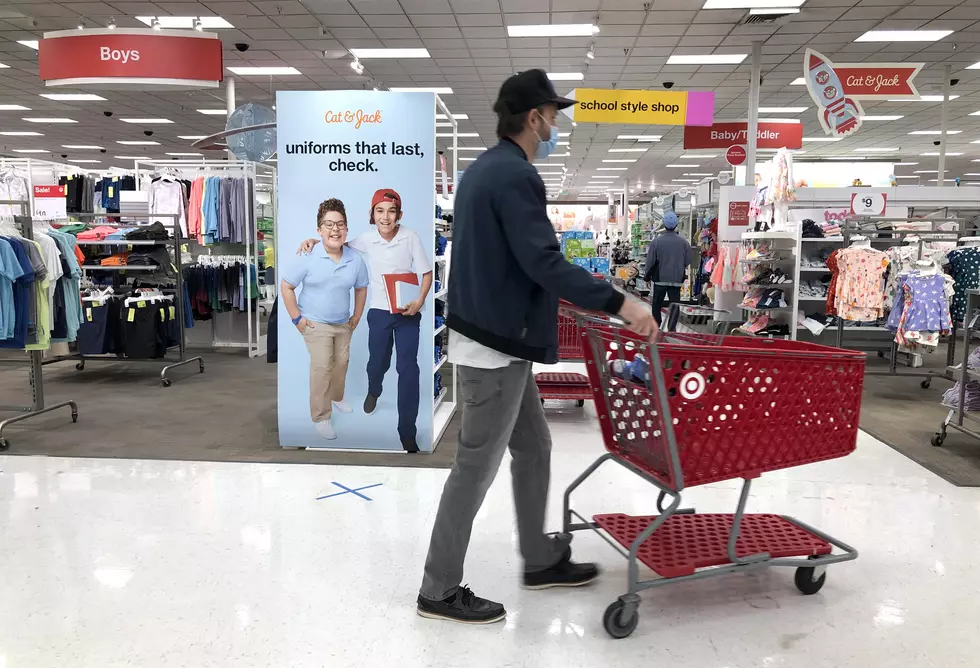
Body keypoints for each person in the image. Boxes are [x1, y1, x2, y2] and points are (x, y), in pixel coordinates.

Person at [416, 69, 658, 625]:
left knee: (535, 446)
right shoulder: (514, 177)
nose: (556, 125)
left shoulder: (485, 170)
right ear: (534, 118)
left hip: (500, 341)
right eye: (554, 116)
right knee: (473, 469)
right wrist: (620, 302)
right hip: (493, 348)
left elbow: (515, 263)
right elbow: (543, 262)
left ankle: (541, 558)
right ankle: (437, 588)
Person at [298, 189, 432, 453]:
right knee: (377, 363)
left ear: (399, 215)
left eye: (391, 211)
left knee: (409, 369)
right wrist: (314, 240)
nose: (386, 217)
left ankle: (407, 432)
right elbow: (338, 243)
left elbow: (426, 273)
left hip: (408, 313)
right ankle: (374, 390)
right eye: (380, 211)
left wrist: (419, 300)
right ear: (372, 215)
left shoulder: (411, 237)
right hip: (380, 313)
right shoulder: (367, 240)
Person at [281, 199, 369, 440]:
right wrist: (297, 319)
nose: (335, 229)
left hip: (342, 323)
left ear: (347, 229)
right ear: (319, 230)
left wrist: (357, 316)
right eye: (328, 224)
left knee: (341, 364)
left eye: (340, 224)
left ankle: (337, 397)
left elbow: (361, 288)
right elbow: (287, 286)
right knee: (322, 366)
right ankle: (321, 417)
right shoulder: (308, 254)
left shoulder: (355, 258)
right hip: (314, 322)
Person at [643, 211, 692, 327]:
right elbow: (688, 261)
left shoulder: (656, 242)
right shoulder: (684, 243)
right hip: (676, 278)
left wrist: (647, 277)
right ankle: (672, 327)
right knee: (675, 304)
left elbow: (650, 261)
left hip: (660, 278)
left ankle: (656, 324)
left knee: (656, 303)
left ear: (664, 225)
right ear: (676, 225)